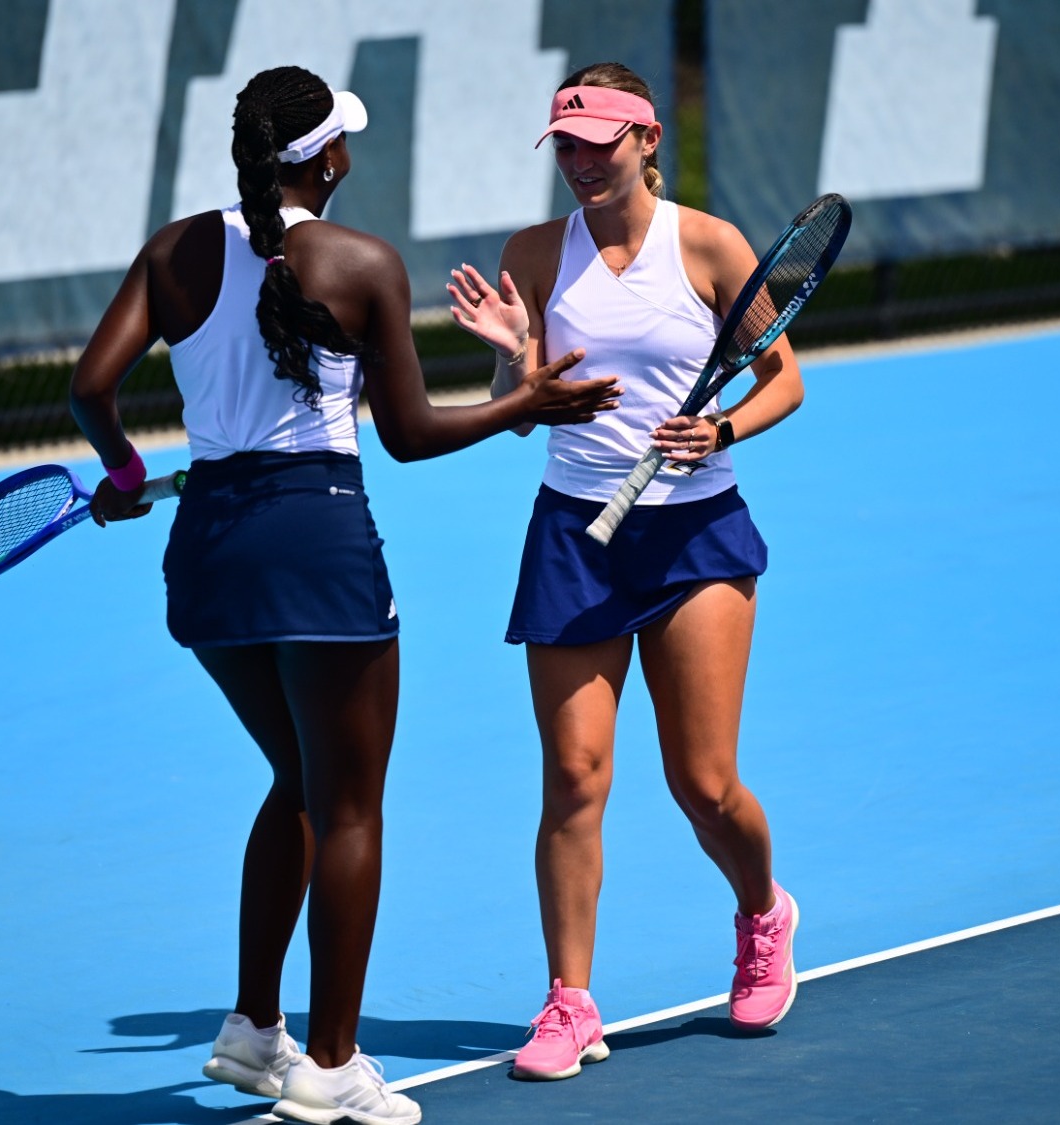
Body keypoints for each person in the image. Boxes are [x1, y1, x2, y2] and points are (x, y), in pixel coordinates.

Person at [68, 66, 620, 1125]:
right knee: (349, 800)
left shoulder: (175, 250)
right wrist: (527, 405)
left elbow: (91, 388)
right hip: (316, 545)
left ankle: (250, 1030)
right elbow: (409, 437)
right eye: (345, 142)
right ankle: (330, 1066)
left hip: (209, 556)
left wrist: (128, 475)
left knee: (297, 777)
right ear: (324, 159)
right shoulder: (361, 262)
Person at [445, 62, 805, 1082]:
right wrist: (515, 360)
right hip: (575, 534)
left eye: (599, 143)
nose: (581, 163)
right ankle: (567, 1002)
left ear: (646, 139)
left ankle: (760, 914)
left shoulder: (707, 244)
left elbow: (783, 378)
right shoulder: (532, 253)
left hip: (693, 540)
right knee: (571, 779)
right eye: (565, 145)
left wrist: (720, 426)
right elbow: (519, 402)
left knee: (701, 782)